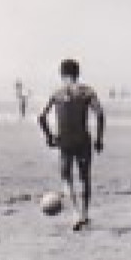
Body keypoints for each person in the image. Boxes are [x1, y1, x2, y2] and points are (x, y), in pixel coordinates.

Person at [38, 59, 106, 231]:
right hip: (82, 139)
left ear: (61, 74)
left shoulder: (57, 93)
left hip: (64, 141)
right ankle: (85, 214)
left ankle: (75, 213)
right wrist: (99, 139)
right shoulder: (86, 92)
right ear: (78, 73)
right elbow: (100, 114)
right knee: (84, 178)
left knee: (66, 178)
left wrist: (49, 136)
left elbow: (41, 117)